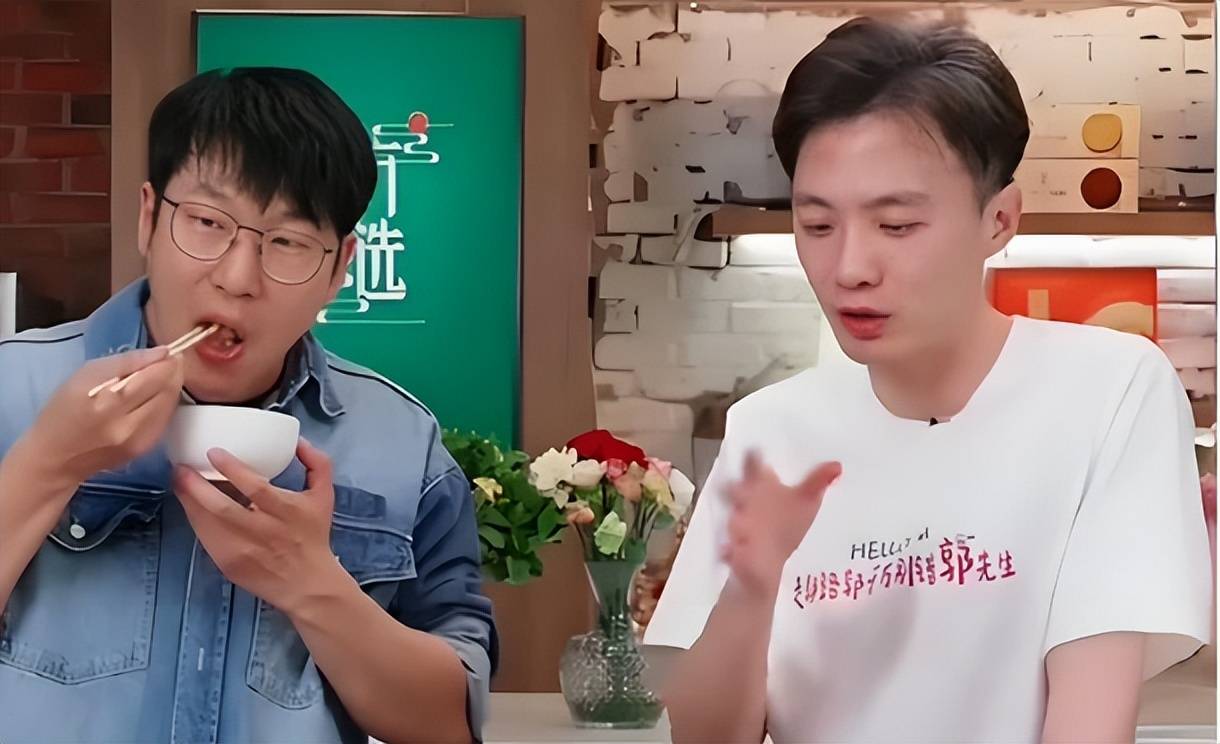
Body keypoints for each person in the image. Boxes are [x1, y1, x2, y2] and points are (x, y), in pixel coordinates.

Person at [644, 17, 1211, 744]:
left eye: (897, 226)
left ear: (999, 219)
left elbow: (1090, 719)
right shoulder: (769, 427)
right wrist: (752, 589)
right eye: (817, 226)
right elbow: (706, 737)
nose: (850, 268)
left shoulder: (1108, 391)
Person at [0, 68, 495, 744]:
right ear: (149, 217)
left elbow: (449, 725)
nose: (237, 278)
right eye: (207, 223)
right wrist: (47, 465)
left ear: (340, 267)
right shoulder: (13, 387)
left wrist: (313, 586)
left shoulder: (404, 446)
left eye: (287, 242)